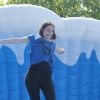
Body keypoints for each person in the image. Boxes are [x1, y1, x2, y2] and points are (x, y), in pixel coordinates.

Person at [0, 22, 64, 100]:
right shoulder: (35, 38)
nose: (50, 33)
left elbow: (60, 50)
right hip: (32, 77)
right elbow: (17, 40)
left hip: (46, 77)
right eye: (48, 30)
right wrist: (1, 41)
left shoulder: (52, 44)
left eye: (52, 31)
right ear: (43, 30)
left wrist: (62, 50)